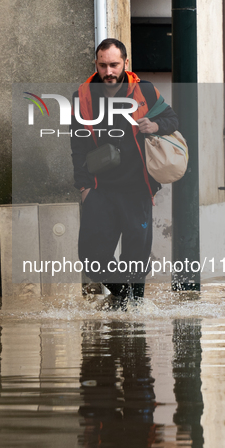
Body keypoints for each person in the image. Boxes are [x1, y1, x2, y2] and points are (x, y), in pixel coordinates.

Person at [71, 38, 178, 308]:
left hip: (137, 190)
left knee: (136, 259)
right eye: (103, 65)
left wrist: (154, 125)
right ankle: (124, 299)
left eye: (114, 65)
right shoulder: (82, 96)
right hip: (100, 190)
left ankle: (135, 314)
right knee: (91, 257)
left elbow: (172, 120)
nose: (109, 72)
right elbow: (77, 144)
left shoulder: (146, 91)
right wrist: (84, 188)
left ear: (125, 64)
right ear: (96, 64)